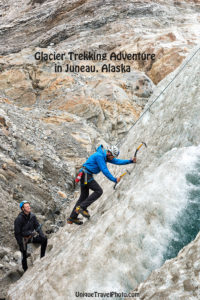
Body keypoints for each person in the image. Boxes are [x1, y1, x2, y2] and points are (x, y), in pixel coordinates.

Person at [67, 145, 136, 225]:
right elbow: (104, 170)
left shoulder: (105, 156)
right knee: (99, 191)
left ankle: (72, 217)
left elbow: (117, 161)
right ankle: (82, 208)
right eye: (112, 156)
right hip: (86, 174)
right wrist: (114, 179)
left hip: (84, 174)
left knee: (84, 196)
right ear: (109, 153)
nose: (112, 158)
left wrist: (130, 161)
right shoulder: (100, 156)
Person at [14, 200, 47, 272]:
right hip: (24, 239)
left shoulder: (32, 216)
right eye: (27, 206)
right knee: (24, 254)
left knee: (44, 239)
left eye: (29, 206)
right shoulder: (19, 219)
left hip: (31, 236)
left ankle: (42, 257)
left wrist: (41, 235)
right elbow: (17, 233)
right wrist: (21, 244)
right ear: (23, 209)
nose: (29, 207)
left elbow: (37, 226)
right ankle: (25, 269)